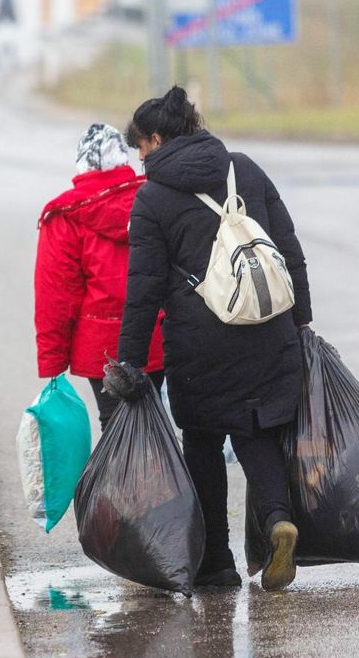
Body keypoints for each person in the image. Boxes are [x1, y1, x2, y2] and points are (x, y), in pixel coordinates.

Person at [108, 87, 313, 592]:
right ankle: (278, 522)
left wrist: (130, 363)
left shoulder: (153, 198)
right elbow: (288, 249)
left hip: (201, 345)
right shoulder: (244, 167)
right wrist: (301, 322)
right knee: (257, 433)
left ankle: (217, 563)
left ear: (157, 138)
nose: (139, 158)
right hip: (269, 331)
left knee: (202, 442)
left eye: (140, 146)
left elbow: (144, 289)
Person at [34, 123, 164, 426]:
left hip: (101, 346)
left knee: (114, 423)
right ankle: (154, 473)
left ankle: (119, 475)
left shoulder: (65, 215)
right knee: (152, 422)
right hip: (155, 336)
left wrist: (53, 362)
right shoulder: (153, 198)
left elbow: (56, 295)